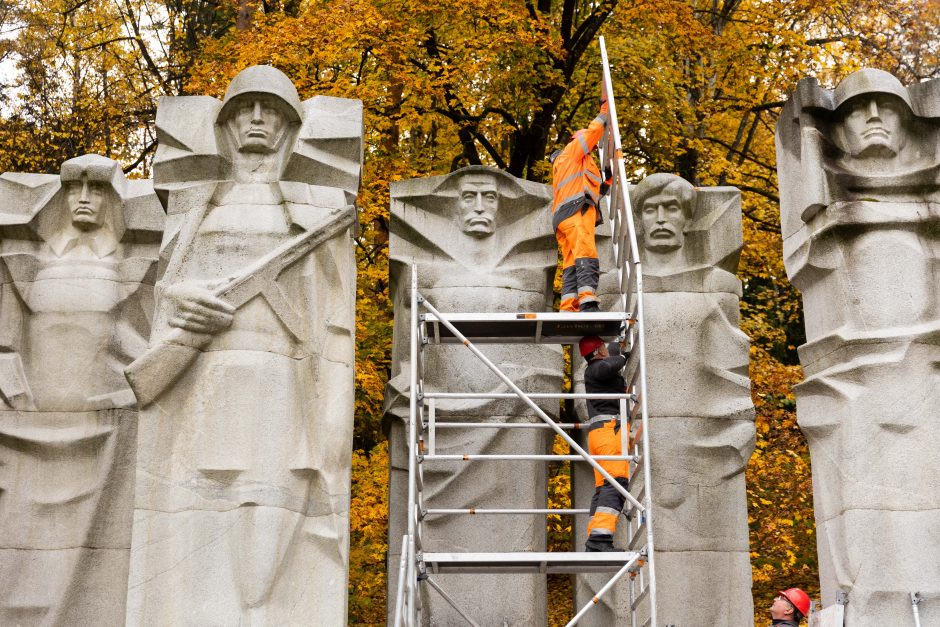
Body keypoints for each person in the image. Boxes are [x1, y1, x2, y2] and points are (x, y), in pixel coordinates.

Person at [550, 94, 611, 312]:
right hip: (577, 211)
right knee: (586, 251)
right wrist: (604, 114)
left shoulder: (571, 165)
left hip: (563, 217)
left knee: (570, 261)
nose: (593, 149)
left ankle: (568, 305)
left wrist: (607, 184)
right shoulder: (572, 152)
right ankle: (587, 298)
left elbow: (590, 189)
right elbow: (593, 132)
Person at [579, 335, 630, 551]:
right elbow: (608, 366)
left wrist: (616, 347)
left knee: (603, 488)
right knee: (617, 482)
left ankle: (595, 538)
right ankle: (600, 540)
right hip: (609, 432)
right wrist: (623, 354)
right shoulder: (594, 369)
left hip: (600, 434)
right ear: (599, 351)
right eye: (604, 349)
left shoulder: (596, 371)